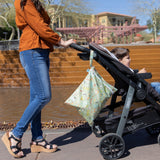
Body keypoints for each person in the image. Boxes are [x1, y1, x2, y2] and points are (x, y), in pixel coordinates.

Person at [1, 0, 75, 158]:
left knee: (36, 97)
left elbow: (43, 23)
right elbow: (39, 26)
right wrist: (60, 41)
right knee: (43, 96)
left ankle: (37, 139)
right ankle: (15, 134)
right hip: (32, 50)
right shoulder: (24, 1)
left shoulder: (35, 3)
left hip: (41, 50)